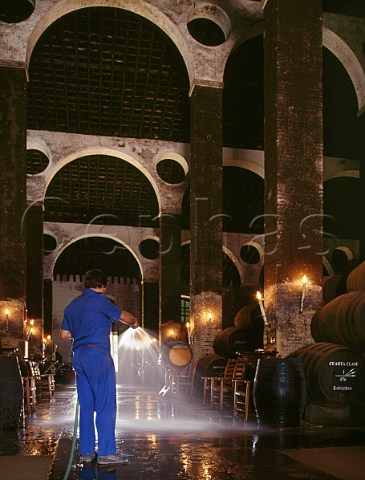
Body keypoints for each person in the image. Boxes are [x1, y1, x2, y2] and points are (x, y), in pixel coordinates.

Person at [59, 269, 139, 465]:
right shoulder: (101, 300)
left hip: (79, 356)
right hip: (97, 355)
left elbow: (63, 335)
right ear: (103, 287)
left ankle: (86, 452)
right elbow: (125, 317)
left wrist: (82, 330)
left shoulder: (71, 306)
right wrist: (135, 322)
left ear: (86, 284)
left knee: (86, 406)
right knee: (105, 404)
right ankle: (106, 453)